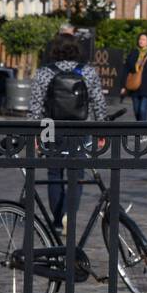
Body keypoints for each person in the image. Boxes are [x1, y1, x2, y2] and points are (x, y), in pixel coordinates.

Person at [29, 34, 108, 226]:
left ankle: (57, 220)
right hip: (80, 128)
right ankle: (68, 214)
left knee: (54, 174)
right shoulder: (87, 72)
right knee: (76, 174)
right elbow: (98, 103)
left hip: (51, 128)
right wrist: (102, 130)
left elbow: (36, 105)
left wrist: (33, 133)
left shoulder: (44, 72)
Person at [120, 31, 147, 121]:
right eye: (140, 39)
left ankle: (144, 132)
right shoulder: (133, 53)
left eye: (143, 39)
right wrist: (123, 86)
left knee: (142, 110)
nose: (141, 41)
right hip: (135, 87)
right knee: (136, 111)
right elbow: (126, 70)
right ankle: (139, 129)